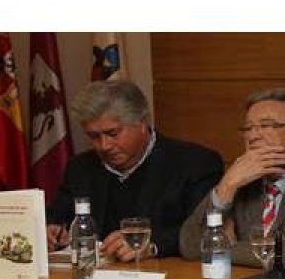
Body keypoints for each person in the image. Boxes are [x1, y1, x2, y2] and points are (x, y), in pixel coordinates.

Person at [46, 80, 223, 262]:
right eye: (94, 136)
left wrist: (151, 245)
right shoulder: (80, 168)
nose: (104, 146)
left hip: (165, 277)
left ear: (142, 123)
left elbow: (204, 229)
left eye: (113, 133)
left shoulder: (195, 164)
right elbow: (57, 217)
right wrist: (53, 231)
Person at [179, 88, 285, 270]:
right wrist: (226, 187)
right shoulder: (242, 177)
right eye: (248, 128)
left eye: (265, 126)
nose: (253, 136)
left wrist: (217, 246)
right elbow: (189, 245)